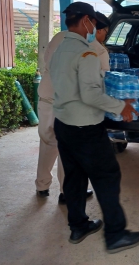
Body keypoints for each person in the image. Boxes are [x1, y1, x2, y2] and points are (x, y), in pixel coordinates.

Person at [49, 2, 139, 253]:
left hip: (64, 123)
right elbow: (90, 95)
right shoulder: (87, 53)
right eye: (94, 22)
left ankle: (78, 226)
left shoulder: (60, 50)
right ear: (86, 22)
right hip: (85, 127)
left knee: (75, 177)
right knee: (106, 176)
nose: (96, 28)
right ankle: (115, 235)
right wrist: (120, 106)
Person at [35, 16, 110, 204]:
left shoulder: (60, 36)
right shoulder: (98, 51)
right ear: (96, 29)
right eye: (104, 32)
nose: (104, 36)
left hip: (47, 97)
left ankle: (42, 185)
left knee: (48, 143)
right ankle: (66, 192)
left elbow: (47, 62)